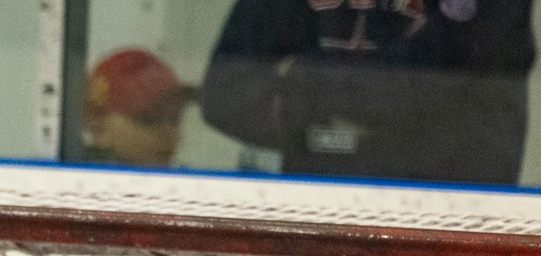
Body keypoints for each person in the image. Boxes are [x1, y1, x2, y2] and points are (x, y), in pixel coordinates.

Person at [201, 0, 536, 185]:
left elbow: (450, 82)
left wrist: (306, 84)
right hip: (313, 215)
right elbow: (227, 95)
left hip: (450, 230)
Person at [82, 47, 198, 167]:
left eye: (175, 117)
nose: (168, 133)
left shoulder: (186, 181)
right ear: (99, 128)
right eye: (149, 119)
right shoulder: (80, 179)